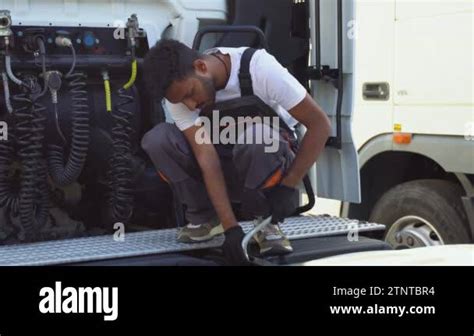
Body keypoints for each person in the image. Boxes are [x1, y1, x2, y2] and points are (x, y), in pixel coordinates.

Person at [141, 39, 331, 265]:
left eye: (190, 94)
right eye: (182, 101)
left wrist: (289, 185)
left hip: (270, 170)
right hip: (227, 171)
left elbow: (320, 125)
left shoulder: (261, 69)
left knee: (256, 137)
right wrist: (231, 228)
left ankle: (266, 223)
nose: (190, 105)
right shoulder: (179, 93)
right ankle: (206, 220)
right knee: (158, 139)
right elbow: (207, 158)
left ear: (201, 67)